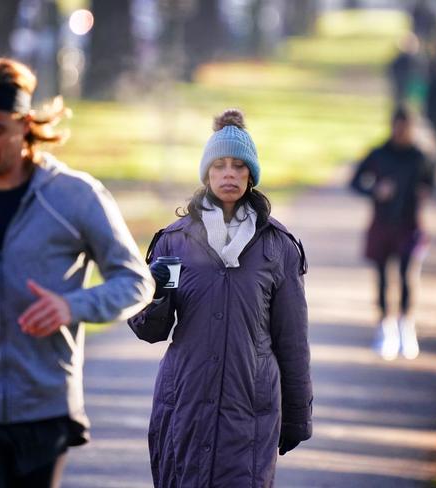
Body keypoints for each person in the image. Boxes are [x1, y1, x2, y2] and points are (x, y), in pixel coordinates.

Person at [0, 57, 153, 488]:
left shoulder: (74, 198)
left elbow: (136, 281)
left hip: (46, 407)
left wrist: (70, 306)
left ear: (25, 125)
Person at [128, 109, 313, 487]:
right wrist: (157, 296)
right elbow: (149, 330)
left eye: (238, 167)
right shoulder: (173, 240)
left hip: (249, 405)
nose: (229, 174)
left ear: (251, 175)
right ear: (207, 174)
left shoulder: (278, 248)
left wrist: (296, 417)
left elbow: (292, 341)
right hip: (185, 401)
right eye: (219, 166)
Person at [350, 107, 435, 360]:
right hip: (382, 223)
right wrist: (376, 190)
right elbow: (355, 182)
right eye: (397, 127)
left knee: (408, 275)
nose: (401, 133)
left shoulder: (420, 157)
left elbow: (433, 181)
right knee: (382, 277)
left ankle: (406, 325)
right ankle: (385, 328)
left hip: (410, 224)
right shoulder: (378, 154)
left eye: (406, 128)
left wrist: (425, 191)